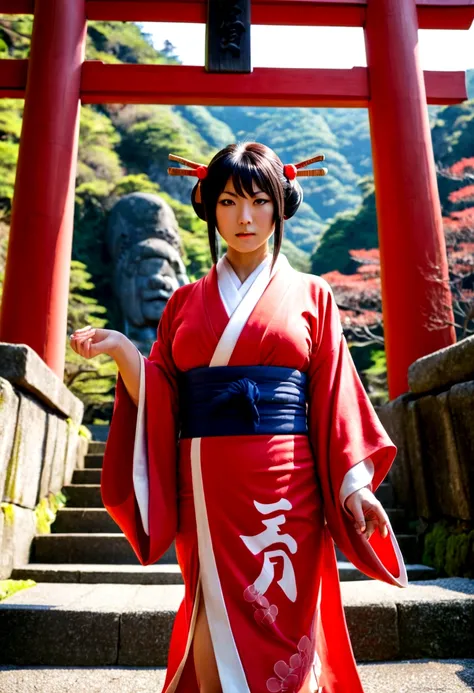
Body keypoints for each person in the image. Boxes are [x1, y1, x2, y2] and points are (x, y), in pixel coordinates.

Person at [70, 142, 407, 693]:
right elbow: (164, 394)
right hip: (206, 489)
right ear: (209, 208)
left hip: (288, 489)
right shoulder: (183, 302)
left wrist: (355, 487)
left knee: (286, 619)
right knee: (211, 614)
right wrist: (125, 354)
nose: (244, 218)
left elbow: (335, 399)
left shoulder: (314, 295)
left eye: (257, 201)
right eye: (228, 202)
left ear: (280, 205)